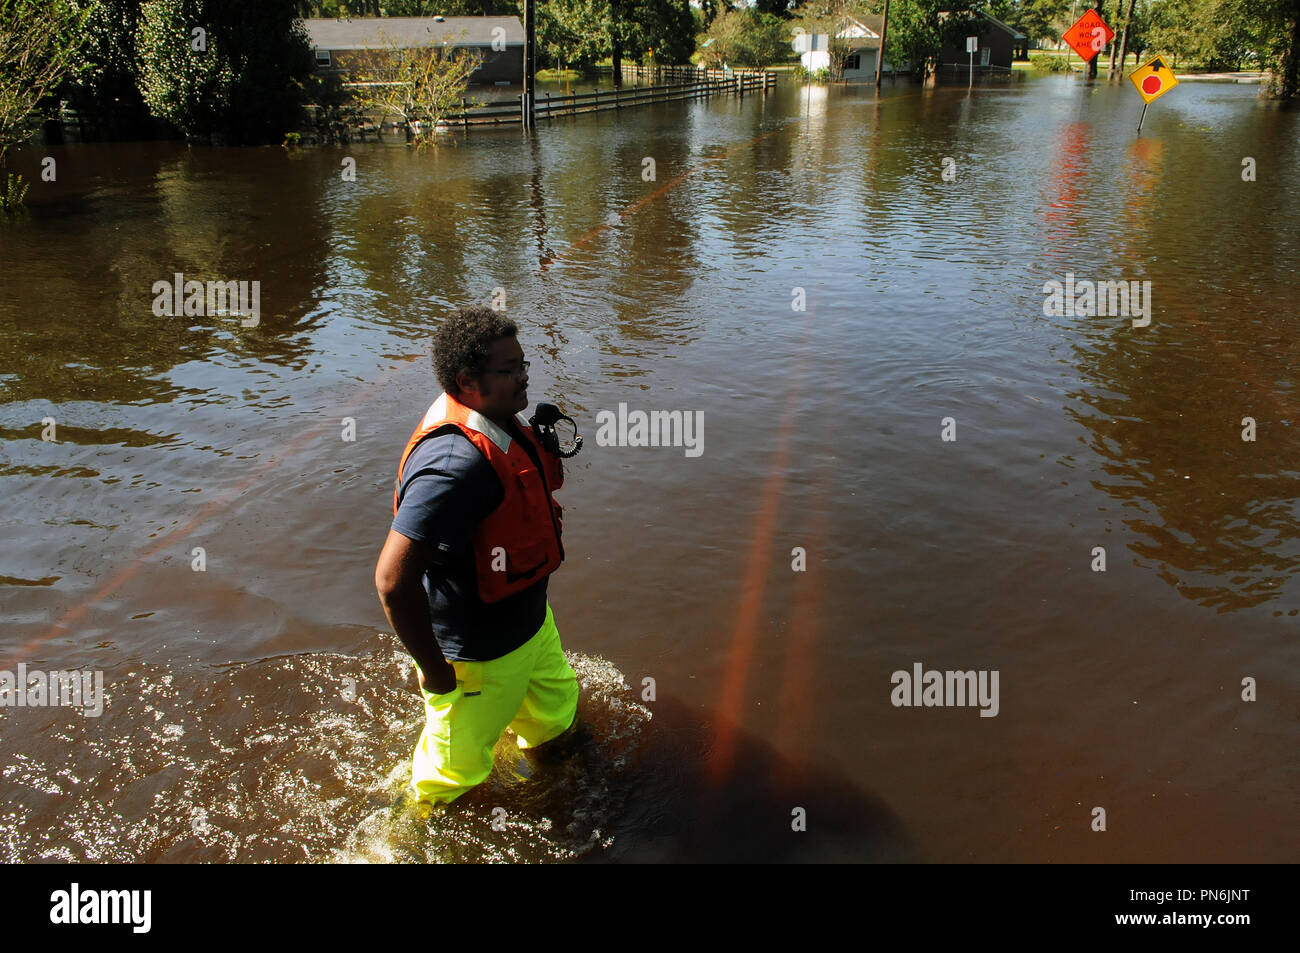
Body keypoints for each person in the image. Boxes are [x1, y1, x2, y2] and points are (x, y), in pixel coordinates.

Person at [375, 306, 580, 806]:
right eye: (509, 371)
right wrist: (437, 673)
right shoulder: (453, 466)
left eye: (524, 364)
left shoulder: (497, 420)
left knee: (559, 724)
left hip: (531, 627)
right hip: (480, 654)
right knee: (448, 783)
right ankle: (407, 842)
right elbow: (391, 581)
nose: (524, 378)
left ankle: (563, 789)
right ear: (467, 382)